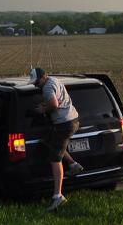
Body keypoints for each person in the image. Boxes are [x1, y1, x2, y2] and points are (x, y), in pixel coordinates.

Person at [30, 67, 85, 211]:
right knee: (51, 142)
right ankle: (73, 165)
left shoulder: (47, 88)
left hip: (64, 124)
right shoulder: (55, 80)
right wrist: (46, 104)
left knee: (55, 159)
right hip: (74, 119)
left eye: (36, 82)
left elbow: (54, 104)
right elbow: (57, 99)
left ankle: (58, 196)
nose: (36, 85)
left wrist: (42, 109)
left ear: (43, 77)